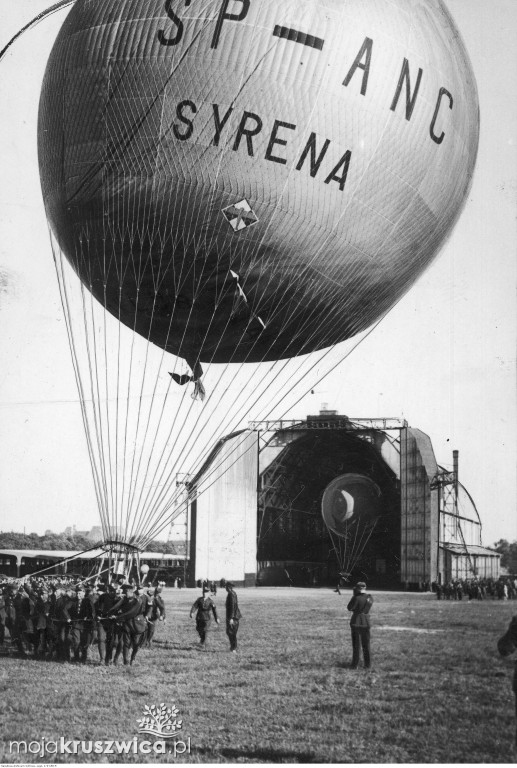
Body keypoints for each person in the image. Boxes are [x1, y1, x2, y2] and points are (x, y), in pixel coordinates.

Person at [347, 581, 373, 669]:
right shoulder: (370, 597)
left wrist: (354, 596)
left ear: (357, 589)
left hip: (356, 622)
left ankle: (355, 664)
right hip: (366, 621)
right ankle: (367, 664)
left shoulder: (356, 597)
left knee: (356, 645)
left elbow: (350, 608)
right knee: (366, 645)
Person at [225, 582, 241, 652]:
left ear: (229, 587)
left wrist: (231, 618)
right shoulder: (232, 593)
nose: (225, 588)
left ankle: (233, 648)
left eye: (226, 587)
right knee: (231, 632)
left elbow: (232, 607)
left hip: (233, 616)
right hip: (234, 615)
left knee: (231, 632)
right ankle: (233, 647)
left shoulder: (231, 594)